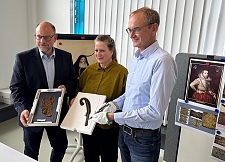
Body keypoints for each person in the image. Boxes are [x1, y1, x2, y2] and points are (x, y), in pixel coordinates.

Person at [91, 7, 178, 162]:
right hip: (125, 133)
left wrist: (112, 116)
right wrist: (114, 104)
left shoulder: (162, 61)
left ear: (154, 28)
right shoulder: (137, 57)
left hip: (143, 139)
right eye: (129, 30)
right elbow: (131, 94)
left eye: (136, 29)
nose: (131, 35)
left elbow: (154, 111)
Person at [10, 21, 77, 162]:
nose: (42, 41)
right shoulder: (23, 59)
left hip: (57, 113)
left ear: (55, 38)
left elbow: (73, 80)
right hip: (31, 114)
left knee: (60, 146)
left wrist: (66, 88)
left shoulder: (66, 57)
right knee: (31, 152)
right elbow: (16, 88)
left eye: (46, 37)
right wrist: (22, 109)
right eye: (38, 36)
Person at [73, 35, 128, 162]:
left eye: (102, 50)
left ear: (111, 51)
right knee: (90, 157)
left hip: (108, 127)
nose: (98, 54)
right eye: (96, 50)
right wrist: (74, 98)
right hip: (88, 124)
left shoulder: (122, 73)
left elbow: (126, 100)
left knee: (108, 158)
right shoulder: (89, 70)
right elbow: (79, 90)